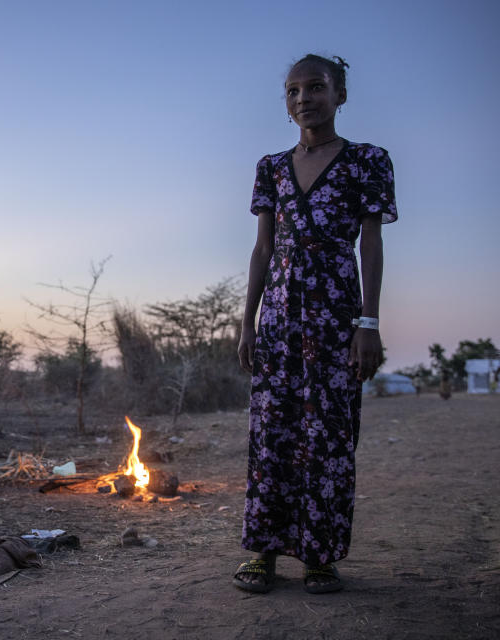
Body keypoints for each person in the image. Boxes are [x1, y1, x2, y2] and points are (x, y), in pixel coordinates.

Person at [233, 54, 397, 594]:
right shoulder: (270, 168)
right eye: (293, 90)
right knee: (272, 434)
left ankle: (320, 555)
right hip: (278, 318)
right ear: (286, 103)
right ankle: (262, 552)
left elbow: (370, 243)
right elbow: (262, 249)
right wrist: (248, 321)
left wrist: (367, 322)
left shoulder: (366, 161)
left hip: (335, 315)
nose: (304, 98)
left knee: (328, 434)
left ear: (340, 95)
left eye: (317, 87)